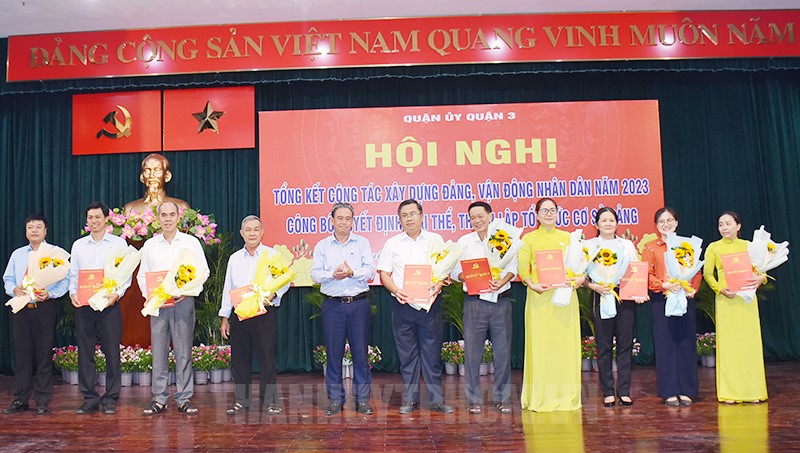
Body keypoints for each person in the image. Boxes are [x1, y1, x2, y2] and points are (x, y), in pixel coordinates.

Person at [377, 199, 453, 414]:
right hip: (403, 305)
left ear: (421, 216)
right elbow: (384, 274)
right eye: (404, 215)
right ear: (399, 220)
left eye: (412, 214)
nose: (409, 218)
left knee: (432, 354)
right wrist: (395, 290)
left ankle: (437, 400)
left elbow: (444, 270)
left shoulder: (435, 240)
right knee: (407, 356)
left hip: (430, 306)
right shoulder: (392, 244)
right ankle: (410, 399)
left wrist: (439, 285)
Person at [137, 201, 209, 415]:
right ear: (157, 219)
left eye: (171, 215)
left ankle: (184, 398)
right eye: (163, 215)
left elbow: (203, 271)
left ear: (179, 217)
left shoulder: (191, 243)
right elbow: (142, 275)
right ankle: (159, 398)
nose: (167, 219)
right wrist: (149, 296)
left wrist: (188, 290)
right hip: (159, 304)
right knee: (158, 352)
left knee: (183, 352)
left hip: (183, 302)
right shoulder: (150, 245)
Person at [219, 215, 290, 415]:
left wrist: (273, 294)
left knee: (267, 359)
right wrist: (225, 317)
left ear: (262, 232)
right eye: (248, 230)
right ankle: (241, 401)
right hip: (240, 314)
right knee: (239, 360)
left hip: (264, 314)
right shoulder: (234, 258)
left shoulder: (272, 255)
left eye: (256, 229)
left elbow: (284, 280)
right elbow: (228, 288)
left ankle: (270, 401)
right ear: (242, 233)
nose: (252, 233)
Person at [517, 198, 583, 412]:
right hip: (540, 298)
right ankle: (540, 397)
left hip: (565, 298)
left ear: (557, 212)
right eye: (544, 210)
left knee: (564, 347)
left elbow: (580, 269)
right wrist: (531, 284)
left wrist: (576, 281)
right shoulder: (528, 239)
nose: (548, 214)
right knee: (542, 347)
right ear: (536, 214)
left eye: (552, 210)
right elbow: (523, 270)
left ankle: (567, 396)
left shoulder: (569, 238)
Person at [311, 203, 376, 416]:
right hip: (333, 306)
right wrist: (332, 275)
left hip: (358, 304)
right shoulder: (322, 246)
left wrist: (352, 272)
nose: (344, 222)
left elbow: (370, 271)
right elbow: (315, 274)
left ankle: (362, 400)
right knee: (333, 354)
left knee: (360, 354)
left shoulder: (362, 243)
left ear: (352, 221)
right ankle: (335, 400)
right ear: (332, 220)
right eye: (339, 218)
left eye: (348, 218)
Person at [451, 201, 515, 415]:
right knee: (472, 354)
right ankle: (473, 400)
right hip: (474, 303)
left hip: (501, 301)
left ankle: (502, 398)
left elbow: (513, 267)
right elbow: (454, 272)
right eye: (473, 218)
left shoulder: (503, 240)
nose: (477, 220)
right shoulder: (464, 242)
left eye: (480, 216)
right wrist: (468, 276)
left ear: (490, 216)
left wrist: (501, 280)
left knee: (503, 353)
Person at [68, 202, 132, 415]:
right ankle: (89, 397)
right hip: (84, 306)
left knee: (112, 351)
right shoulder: (78, 245)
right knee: (85, 352)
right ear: (86, 221)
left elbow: (126, 275)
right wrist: (73, 293)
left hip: (108, 305)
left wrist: (117, 294)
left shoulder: (118, 244)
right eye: (90, 218)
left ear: (106, 219)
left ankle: (111, 398)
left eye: (98, 217)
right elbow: (74, 274)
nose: (94, 221)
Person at [2, 214, 69, 415]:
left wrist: (51, 293)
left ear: (45, 231)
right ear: (26, 231)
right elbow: (8, 278)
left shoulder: (55, 254)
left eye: (38, 227)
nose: (34, 230)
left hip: (44, 308)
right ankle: (20, 399)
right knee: (22, 355)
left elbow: (66, 280)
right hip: (21, 308)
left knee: (43, 354)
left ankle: (42, 400)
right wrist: (13, 289)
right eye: (30, 227)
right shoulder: (17, 254)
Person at [703, 211, 767, 404]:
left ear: (738, 226)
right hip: (726, 301)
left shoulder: (749, 246)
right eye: (720, 224)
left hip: (747, 301)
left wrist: (761, 279)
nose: (724, 227)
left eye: (728, 223)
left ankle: (753, 391)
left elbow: (762, 271)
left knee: (750, 345)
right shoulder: (714, 247)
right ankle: (730, 393)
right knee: (729, 346)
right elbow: (708, 274)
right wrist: (719, 289)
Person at [641, 208, 701, 407]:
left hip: (684, 297)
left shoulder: (686, 245)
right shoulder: (650, 247)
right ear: (656, 225)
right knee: (665, 344)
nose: (665, 224)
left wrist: (692, 288)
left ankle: (687, 390)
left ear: (676, 222)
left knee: (685, 342)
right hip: (662, 299)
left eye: (669, 220)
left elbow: (696, 271)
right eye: (661, 221)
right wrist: (663, 285)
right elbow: (647, 274)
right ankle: (669, 391)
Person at [584, 207, 643, 408]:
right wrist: (593, 286)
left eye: (611, 220)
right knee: (604, 345)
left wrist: (637, 292)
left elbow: (635, 271)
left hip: (624, 295)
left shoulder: (627, 245)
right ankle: (608, 391)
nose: (608, 223)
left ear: (617, 223)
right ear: (596, 224)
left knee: (625, 345)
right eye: (604, 220)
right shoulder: (590, 245)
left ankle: (624, 391)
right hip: (600, 294)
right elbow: (581, 274)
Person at [123, 153, 190, 215]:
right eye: (147, 170)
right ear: (142, 177)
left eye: (157, 170)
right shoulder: (130, 208)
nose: (152, 175)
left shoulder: (181, 207)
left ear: (167, 176)